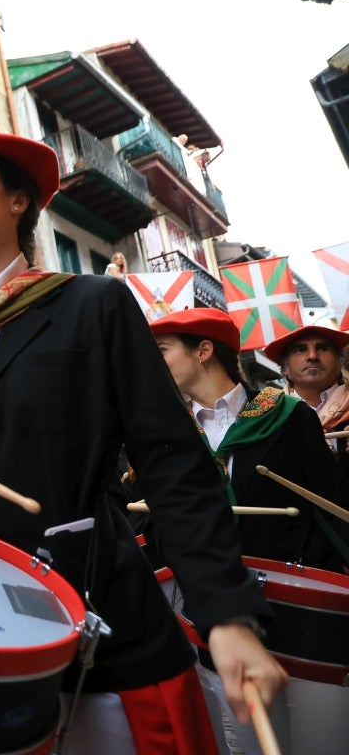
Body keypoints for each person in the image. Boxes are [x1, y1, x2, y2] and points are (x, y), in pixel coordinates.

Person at [0, 131, 286, 753]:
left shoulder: (94, 306)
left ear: (19, 200)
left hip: (98, 625)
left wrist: (226, 615)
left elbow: (173, 466)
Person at [149, 308, 349, 755]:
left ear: (202, 351)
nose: (149, 362)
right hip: (208, 612)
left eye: (160, 351)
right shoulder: (166, 432)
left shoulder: (288, 415)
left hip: (295, 611)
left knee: (319, 740)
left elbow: (331, 511)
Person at [264, 325, 349, 479]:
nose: (312, 356)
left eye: (322, 348)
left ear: (339, 363)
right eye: (300, 350)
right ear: (284, 368)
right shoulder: (267, 419)